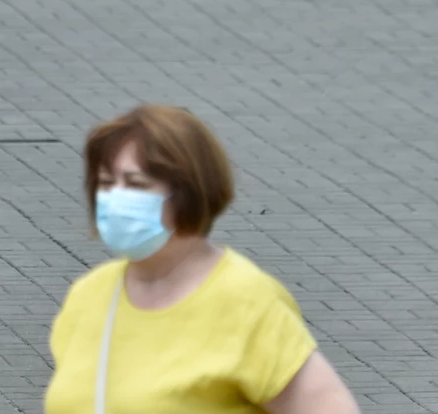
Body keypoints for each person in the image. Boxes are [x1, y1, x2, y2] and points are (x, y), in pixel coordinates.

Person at [44, 104, 360, 414]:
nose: (116, 199)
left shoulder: (245, 301)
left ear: (188, 192)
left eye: (136, 184)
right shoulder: (89, 295)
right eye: (107, 183)